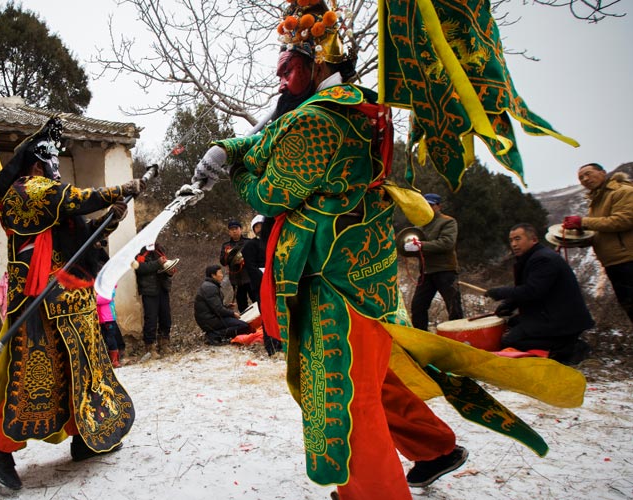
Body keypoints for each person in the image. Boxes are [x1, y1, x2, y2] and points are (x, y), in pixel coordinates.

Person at [187, 4, 469, 497]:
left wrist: (233, 169)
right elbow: (266, 136)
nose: (280, 80)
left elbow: (268, 193)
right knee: (368, 377)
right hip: (361, 274)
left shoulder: (320, 120)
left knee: (341, 397)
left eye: (288, 68)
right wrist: (228, 147)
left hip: (333, 281)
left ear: (319, 63)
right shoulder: (351, 105)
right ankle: (434, 448)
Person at [0, 117, 140, 490]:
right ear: (36, 164)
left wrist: (110, 219)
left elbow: (83, 238)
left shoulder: (54, 203)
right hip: (40, 307)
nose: (55, 168)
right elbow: (67, 199)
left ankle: (85, 439)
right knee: (38, 385)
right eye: (50, 160)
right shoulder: (23, 193)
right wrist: (119, 189)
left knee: (85, 377)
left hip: (76, 302)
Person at [485, 223, 594, 364]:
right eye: (511, 240)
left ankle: (570, 347)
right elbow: (528, 289)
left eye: (518, 239)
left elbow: (533, 291)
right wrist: (509, 305)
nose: (514, 244)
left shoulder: (543, 259)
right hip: (549, 313)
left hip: (561, 318)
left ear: (534, 240)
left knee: (510, 340)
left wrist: (500, 292)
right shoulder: (534, 257)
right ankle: (560, 341)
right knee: (512, 323)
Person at [564, 163, 633, 325]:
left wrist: (583, 222)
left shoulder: (622, 192)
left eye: (588, 174)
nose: (585, 179)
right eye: (581, 178)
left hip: (629, 259)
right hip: (614, 262)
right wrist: (580, 239)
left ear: (603, 172)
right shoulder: (597, 200)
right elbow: (603, 231)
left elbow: (624, 221)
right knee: (629, 307)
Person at [406, 193, 464, 331]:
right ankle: (421, 338)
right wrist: (408, 247)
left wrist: (421, 245)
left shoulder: (448, 222)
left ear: (439, 206)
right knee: (418, 306)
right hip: (426, 272)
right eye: (425, 204)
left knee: (453, 307)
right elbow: (414, 241)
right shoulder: (420, 224)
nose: (428, 207)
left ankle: (459, 337)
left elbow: (447, 243)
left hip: (445, 270)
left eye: (431, 204)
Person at [133, 242, 174, 359]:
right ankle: (150, 347)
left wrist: (169, 270)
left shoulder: (159, 249)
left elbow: (165, 264)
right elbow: (139, 268)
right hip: (149, 290)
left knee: (166, 317)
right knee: (151, 319)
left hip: (163, 287)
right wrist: (157, 263)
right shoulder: (140, 251)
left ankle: (164, 343)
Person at [194, 264, 251, 345]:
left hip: (210, 318)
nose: (222, 275)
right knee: (243, 326)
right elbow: (218, 309)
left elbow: (214, 306)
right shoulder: (210, 288)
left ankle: (216, 334)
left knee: (240, 324)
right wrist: (232, 314)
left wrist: (227, 306)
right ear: (213, 275)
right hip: (210, 320)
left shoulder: (210, 285)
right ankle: (214, 335)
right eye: (220, 273)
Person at [219, 220, 252, 312]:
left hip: (250, 276)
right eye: (232, 229)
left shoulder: (248, 242)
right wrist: (228, 255)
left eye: (236, 228)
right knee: (242, 305)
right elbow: (223, 262)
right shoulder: (226, 246)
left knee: (256, 299)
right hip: (235, 279)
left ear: (241, 229)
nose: (234, 231)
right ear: (229, 232)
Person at [97, 291, 125, 368]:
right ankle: (108, 359)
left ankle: (115, 360)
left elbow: (106, 298)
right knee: (104, 338)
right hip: (99, 318)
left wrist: (93, 299)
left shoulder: (108, 286)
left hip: (108, 318)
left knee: (110, 338)